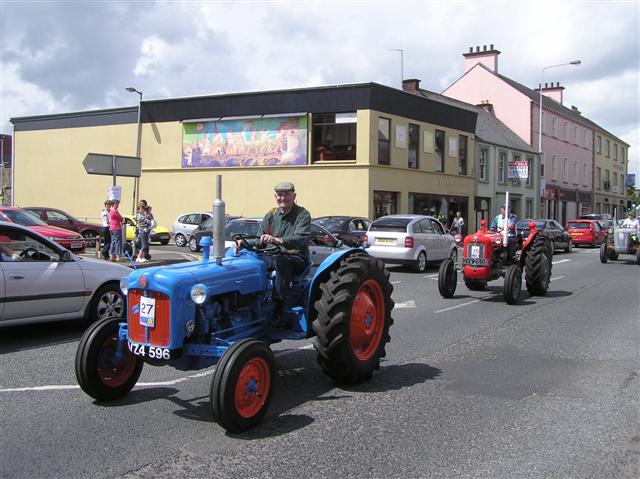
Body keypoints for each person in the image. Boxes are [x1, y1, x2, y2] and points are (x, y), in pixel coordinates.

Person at [234, 181, 311, 327]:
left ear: (294, 195)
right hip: (271, 256)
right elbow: (260, 240)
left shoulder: (302, 214)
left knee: (282, 261)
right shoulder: (271, 215)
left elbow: (301, 238)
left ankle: (279, 309)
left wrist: (278, 240)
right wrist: (242, 243)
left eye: (287, 194)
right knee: (246, 262)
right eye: (280, 195)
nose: (283, 198)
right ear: (275, 196)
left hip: (295, 257)